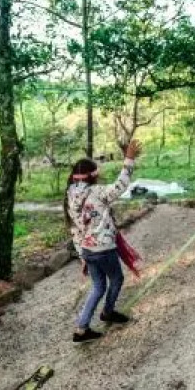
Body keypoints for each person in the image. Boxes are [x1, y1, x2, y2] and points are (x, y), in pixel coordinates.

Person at [64, 140, 143, 342]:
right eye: (97, 172)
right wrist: (129, 159)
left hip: (87, 250)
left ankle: (81, 329)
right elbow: (120, 185)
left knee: (98, 286)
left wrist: (82, 256)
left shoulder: (70, 195)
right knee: (116, 279)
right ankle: (107, 312)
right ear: (92, 175)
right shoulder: (97, 192)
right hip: (104, 249)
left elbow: (75, 230)